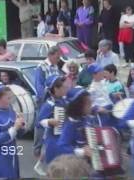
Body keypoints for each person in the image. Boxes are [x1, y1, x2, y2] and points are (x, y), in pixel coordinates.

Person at [0, 83, 26, 179]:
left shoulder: (11, 110)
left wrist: (21, 126)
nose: (10, 101)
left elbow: (18, 135)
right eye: (8, 98)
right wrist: (14, 128)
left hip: (11, 154)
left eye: (11, 97)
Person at [34, 46, 63, 174]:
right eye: (57, 56)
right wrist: (47, 98)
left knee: (53, 132)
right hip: (46, 100)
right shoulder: (41, 67)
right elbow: (39, 85)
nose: (59, 58)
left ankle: (42, 161)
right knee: (41, 125)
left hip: (55, 100)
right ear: (51, 55)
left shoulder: (56, 67)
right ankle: (37, 149)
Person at [37, 75, 68, 165]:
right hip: (53, 140)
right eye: (63, 87)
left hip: (63, 138)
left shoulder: (64, 101)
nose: (65, 88)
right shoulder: (49, 104)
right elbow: (38, 123)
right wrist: (49, 122)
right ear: (56, 89)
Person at [57, 87, 93, 158]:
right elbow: (61, 147)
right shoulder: (70, 124)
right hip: (76, 163)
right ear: (78, 107)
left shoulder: (86, 118)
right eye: (88, 103)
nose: (91, 105)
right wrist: (82, 152)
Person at [87, 63, 116, 128]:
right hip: (102, 115)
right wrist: (97, 108)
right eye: (99, 72)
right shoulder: (92, 89)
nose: (102, 73)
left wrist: (113, 95)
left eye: (101, 71)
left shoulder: (104, 82)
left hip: (111, 110)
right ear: (94, 75)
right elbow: (89, 105)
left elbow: (106, 95)